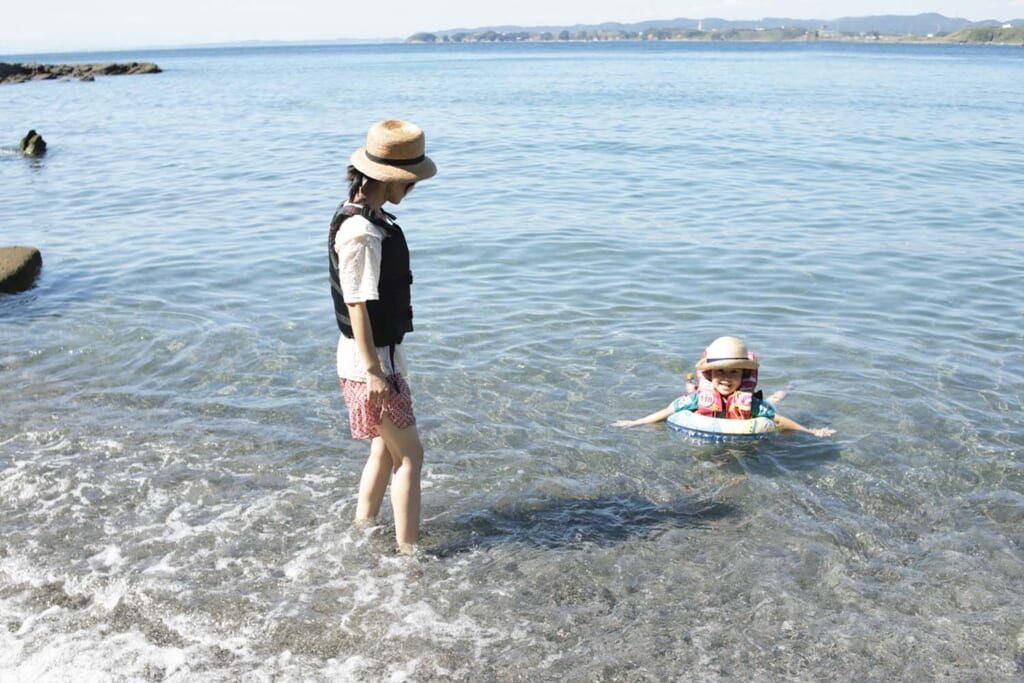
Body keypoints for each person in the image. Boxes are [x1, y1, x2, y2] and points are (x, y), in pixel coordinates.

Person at [328, 119, 437, 553]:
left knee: (383, 449)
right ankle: (409, 554)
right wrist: (375, 372)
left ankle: (363, 529)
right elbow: (356, 302)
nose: (411, 189)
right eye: (407, 181)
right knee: (410, 457)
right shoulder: (362, 233)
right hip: (370, 363)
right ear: (387, 177)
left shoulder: (361, 214)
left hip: (369, 358)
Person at [613, 336, 836, 437]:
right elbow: (668, 411)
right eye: (720, 371)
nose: (727, 378)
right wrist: (636, 422)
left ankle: (785, 390)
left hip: (746, 413)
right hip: (701, 400)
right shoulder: (697, 399)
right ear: (710, 374)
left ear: (743, 375)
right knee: (692, 390)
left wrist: (811, 432)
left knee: (773, 403)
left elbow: (777, 419)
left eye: (734, 372)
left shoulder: (752, 404)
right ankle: (689, 380)